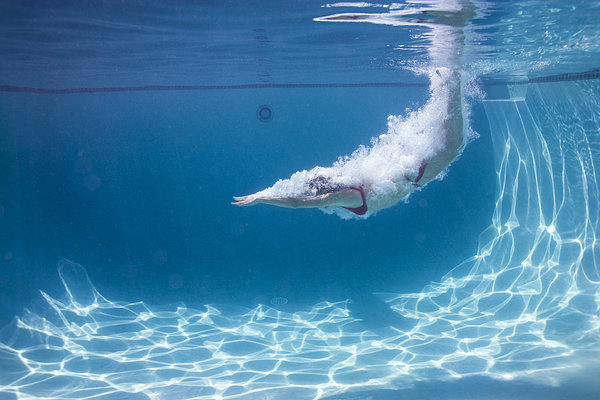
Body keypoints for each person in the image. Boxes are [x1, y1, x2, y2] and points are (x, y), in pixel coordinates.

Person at [232, 67, 465, 217]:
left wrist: (263, 198)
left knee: (453, 146)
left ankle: (452, 79)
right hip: (410, 174)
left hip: (415, 176)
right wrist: (264, 193)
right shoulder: (348, 187)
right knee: (448, 141)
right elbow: (301, 194)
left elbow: (298, 203)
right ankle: (447, 85)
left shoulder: (346, 196)